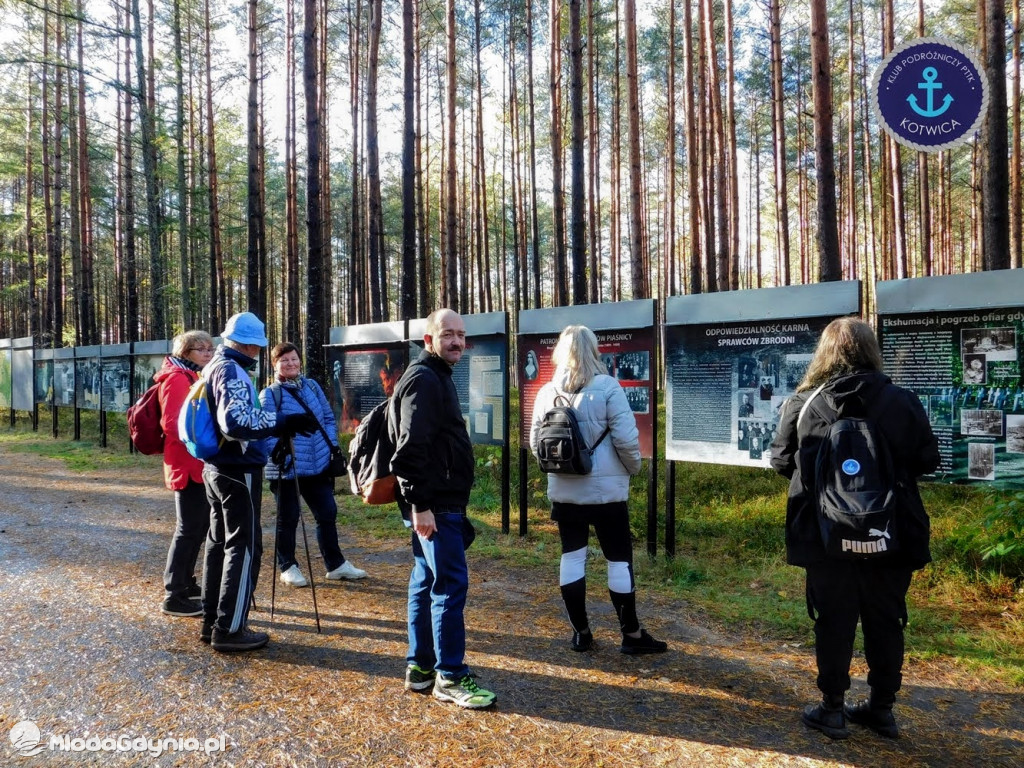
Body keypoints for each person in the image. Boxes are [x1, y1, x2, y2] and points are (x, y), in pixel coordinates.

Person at [769, 317, 939, 740]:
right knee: (886, 618)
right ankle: (881, 709)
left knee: (833, 619)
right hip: (891, 533)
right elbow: (927, 461)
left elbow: (779, 461)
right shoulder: (901, 400)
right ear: (870, 350)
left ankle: (831, 709)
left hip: (826, 535)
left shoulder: (804, 402)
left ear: (824, 353)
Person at [529, 325, 667, 656]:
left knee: (572, 557)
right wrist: (632, 470)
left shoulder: (547, 392)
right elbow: (626, 440)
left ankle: (581, 633)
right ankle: (631, 634)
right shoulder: (607, 387)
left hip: (565, 493)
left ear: (560, 352)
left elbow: (536, 443)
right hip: (607, 495)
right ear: (593, 350)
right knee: (618, 559)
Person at [387, 308, 496, 709]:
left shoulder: (434, 376)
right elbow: (411, 447)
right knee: (449, 587)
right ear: (429, 339)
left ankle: (421, 668)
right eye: (447, 334)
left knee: (425, 580)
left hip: (436, 503)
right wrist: (421, 504)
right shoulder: (425, 379)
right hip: (435, 505)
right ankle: (450, 676)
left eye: (461, 335)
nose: (456, 341)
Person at [199, 312, 318, 653]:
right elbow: (236, 422)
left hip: (217, 467)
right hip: (236, 469)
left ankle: (213, 622)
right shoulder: (232, 369)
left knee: (219, 543)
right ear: (252, 345)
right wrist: (282, 421)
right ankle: (230, 628)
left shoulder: (214, 365)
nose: (257, 353)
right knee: (244, 546)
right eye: (258, 346)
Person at [259, 342, 367, 588]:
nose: (291, 364)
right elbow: (265, 429)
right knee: (288, 519)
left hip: (318, 464)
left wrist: (331, 444)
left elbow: (327, 417)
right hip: (287, 468)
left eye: (294, 359)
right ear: (275, 364)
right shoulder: (270, 394)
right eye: (284, 360)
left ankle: (336, 564)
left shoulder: (312, 387)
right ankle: (288, 566)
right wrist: (280, 453)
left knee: (327, 513)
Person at [156, 330, 215, 617]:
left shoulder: (192, 376)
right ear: (185, 352)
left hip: (197, 463)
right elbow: (172, 424)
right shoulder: (177, 378)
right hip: (187, 464)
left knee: (199, 527)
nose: (207, 353)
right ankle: (174, 594)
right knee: (188, 528)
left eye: (209, 348)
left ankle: (187, 583)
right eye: (199, 349)